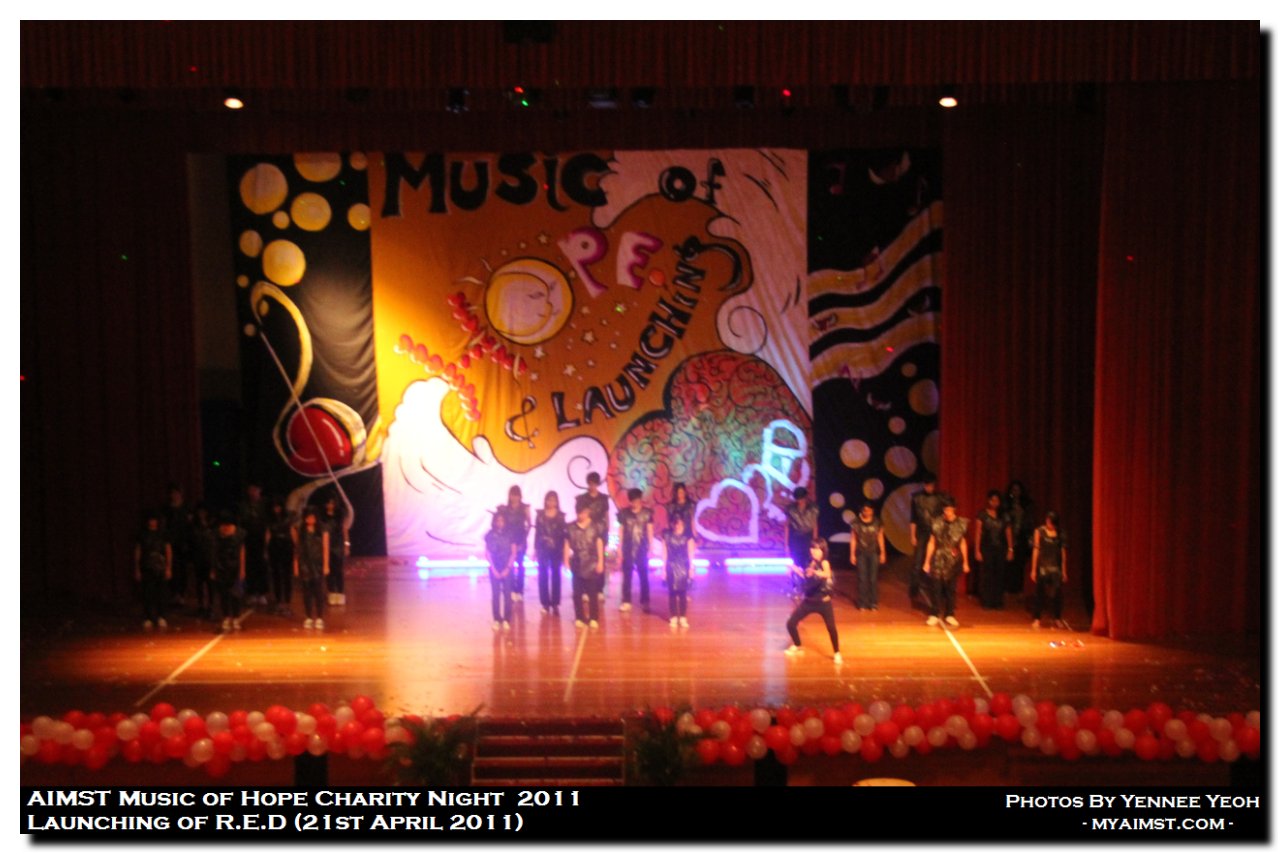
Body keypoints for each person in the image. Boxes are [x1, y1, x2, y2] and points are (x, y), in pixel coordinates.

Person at [784, 538, 842, 664]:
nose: (814, 551)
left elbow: (827, 574)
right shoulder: (810, 562)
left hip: (824, 602)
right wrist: (795, 569)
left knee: (831, 628)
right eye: (812, 548)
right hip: (809, 601)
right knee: (790, 623)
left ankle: (837, 652)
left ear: (823, 550)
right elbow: (806, 577)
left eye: (817, 549)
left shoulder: (824, 562)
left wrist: (814, 571)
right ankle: (797, 645)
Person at [923, 497, 969, 627]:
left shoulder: (961, 523)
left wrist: (965, 562)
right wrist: (927, 561)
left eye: (950, 510)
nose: (948, 512)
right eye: (946, 510)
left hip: (953, 559)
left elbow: (962, 543)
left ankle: (950, 614)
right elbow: (931, 542)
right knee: (936, 587)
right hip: (938, 557)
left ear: (954, 509)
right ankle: (934, 614)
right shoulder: (936, 523)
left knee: (951, 588)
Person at [564, 504, 604, 629]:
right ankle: (579, 617)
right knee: (577, 593)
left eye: (583, 512)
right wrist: (566, 561)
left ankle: (593, 618)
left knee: (592, 593)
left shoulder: (595, 526)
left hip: (591, 562)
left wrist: (600, 561)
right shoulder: (570, 527)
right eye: (579, 513)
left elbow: (599, 543)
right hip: (577, 562)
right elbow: (566, 544)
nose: (581, 515)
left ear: (588, 511)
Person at [616, 487, 654, 612]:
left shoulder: (647, 513)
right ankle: (626, 601)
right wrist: (619, 548)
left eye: (637, 500)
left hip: (642, 548)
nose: (635, 503)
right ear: (630, 501)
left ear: (640, 500)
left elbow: (649, 530)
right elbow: (621, 531)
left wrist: (651, 547)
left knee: (644, 575)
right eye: (633, 501)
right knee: (627, 575)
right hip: (628, 547)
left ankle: (645, 601)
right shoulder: (624, 513)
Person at [975, 490, 1014, 610]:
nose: (995, 502)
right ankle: (987, 601)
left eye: (997, 500)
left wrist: (1010, 549)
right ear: (989, 500)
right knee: (988, 574)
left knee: (999, 574)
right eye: (992, 500)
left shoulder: (1004, 515)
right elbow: (978, 533)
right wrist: (977, 550)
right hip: (987, 548)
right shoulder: (982, 514)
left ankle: (998, 601)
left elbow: (1008, 532)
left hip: (1001, 548)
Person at [292, 505, 330, 630]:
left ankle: (319, 617)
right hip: (305, 564)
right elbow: (297, 548)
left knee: (319, 592)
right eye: (308, 517)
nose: (310, 519)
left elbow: (325, 548)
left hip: (318, 564)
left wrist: (326, 565)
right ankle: (308, 617)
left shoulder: (322, 530)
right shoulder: (301, 531)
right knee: (307, 592)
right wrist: (296, 565)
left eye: (312, 517)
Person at [909, 477, 944, 609]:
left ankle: (934, 586)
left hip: (934, 532)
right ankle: (914, 588)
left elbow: (942, 517)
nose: (930, 488)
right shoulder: (916, 498)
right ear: (924, 485)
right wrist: (912, 535)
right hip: (921, 532)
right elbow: (913, 518)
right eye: (928, 485)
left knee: (935, 560)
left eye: (932, 485)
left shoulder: (939, 498)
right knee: (918, 562)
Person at [1030, 511, 1068, 629]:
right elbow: (1036, 549)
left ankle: (1057, 618)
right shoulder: (1039, 531)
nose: (1048, 524)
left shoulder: (1060, 533)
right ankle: (1037, 618)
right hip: (1043, 566)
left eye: (1051, 522)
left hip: (1055, 567)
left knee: (1057, 594)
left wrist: (1064, 570)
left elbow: (1063, 553)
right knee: (1039, 593)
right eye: (1047, 521)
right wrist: (1033, 569)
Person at [134, 510, 172, 630]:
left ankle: (161, 616)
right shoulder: (142, 534)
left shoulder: (163, 534)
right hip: (147, 567)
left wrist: (168, 568)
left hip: (160, 567)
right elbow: (138, 551)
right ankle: (148, 617)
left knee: (161, 593)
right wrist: (137, 569)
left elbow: (168, 551)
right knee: (147, 593)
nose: (152, 522)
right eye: (151, 520)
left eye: (154, 520)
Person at [534, 491, 568, 615]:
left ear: (557, 502)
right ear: (545, 501)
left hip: (556, 549)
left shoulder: (561, 516)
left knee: (556, 575)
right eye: (549, 500)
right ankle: (545, 604)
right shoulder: (540, 515)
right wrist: (536, 549)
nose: (551, 502)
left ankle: (555, 604)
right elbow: (537, 533)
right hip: (543, 548)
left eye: (553, 500)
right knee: (543, 575)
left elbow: (564, 535)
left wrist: (564, 551)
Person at [211, 512, 246, 632]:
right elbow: (214, 552)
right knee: (223, 594)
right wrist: (213, 569)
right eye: (223, 525)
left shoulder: (239, 534)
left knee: (236, 594)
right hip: (221, 567)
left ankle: (236, 618)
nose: (225, 528)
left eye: (228, 525)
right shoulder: (216, 534)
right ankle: (226, 617)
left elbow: (242, 552)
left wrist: (242, 569)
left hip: (235, 567)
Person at [237, 483, 269, 607]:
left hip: (261, 539)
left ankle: (262, 593)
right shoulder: (243, 505)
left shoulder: (265, 504)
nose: (253, 492)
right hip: (248, 539)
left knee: (262, 566)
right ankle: (251, 592)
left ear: (260, 490)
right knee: (250, 566)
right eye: (250, 490)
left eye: (255, 490)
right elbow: (241, 522)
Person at [498, 485, 531, 602]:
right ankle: (511, 589)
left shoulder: (524, 508)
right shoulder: (505, 509)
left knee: (521, 566)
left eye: (516, 495)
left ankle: (519, 591)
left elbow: (529, 524)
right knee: (510, 565)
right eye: (512, 495)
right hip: (509, 541)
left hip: (521, 540)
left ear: (520, 496)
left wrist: (524, 538)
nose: (514, 497)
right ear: (509, 496)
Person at [850, 503, 886, 610]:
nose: (867, 512)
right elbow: (853, 539)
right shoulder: (856, 523)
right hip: (861, 553)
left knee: (873, 578)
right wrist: (852, 554)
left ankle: (873, 602)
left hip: (874, 552)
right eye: (865, 510)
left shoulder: (877, 522)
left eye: (869, 510)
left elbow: (880, 537)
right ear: (862, 511)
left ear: (872, 511)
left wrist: (883, 553)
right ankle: (862, 602)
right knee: (862, 578)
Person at [485, 510, 517, 631]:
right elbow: (487, 553)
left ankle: (507, 619)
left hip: (507, 567)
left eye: (502, 520)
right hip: (495, 567)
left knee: (507, 594)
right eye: (497, 520)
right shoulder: (490, 535)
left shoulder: (510, 534)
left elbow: (513, 553)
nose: (500, 523)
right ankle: (497, 619)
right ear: (494, 521)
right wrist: (493, 569)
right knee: (495, 594)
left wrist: (508, 568)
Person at [162, 483, 193, 608]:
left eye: (177, 493)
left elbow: (190, 526)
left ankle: (182, 594)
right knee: (172, 568)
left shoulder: (187, 508)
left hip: (184, 542)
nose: (174, 495)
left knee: (183, 569)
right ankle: (174, 594)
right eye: (172, 493)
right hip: (171, 542)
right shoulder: (166, 509)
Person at [662, 515, 695, 627]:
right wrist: (663, 569)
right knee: (672, 592)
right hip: (671, 565)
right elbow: (664, 553)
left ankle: (683, 617)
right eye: (675, 523)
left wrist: (691, 568)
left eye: (679, 523)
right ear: (672, 524)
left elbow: (691, 552)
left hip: (683, 566)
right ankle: (674, 616)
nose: (677, 526)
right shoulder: (667, 536)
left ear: (683, 524)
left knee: (682, 593)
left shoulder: (687, 537)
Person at [264, 498, 296, 616]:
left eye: (278, 506)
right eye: (274, 506)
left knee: (287, 576)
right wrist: (266, 549)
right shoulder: (270, 520)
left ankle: (287, 603)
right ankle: (278, 602)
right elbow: (268, 534)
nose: (276, 509)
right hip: (274, 547)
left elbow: (293, 532)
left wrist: (296, 548)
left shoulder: (288, 518)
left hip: (287, 547)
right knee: (276, 576)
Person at [1003, 480, 1035, 595]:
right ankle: (1007, 588)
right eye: (1013, 490)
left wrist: (1030, 538)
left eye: (1018, 490)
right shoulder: (1006, 504)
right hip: (1008, 537)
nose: (1015, 492)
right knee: (1008, 564)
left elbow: (1030, 521)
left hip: (1022, 537)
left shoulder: (1026, 505)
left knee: (1020, 564)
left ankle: (1018, 589)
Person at [320, 494, 350, 606]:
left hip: (338, 545)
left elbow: (345, 530)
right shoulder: (322, 517)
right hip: (326, 545)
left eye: (332, 503)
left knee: (339, 571)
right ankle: (331, 593)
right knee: (329, 571)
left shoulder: (339, 516)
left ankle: (340, 593)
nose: (330, 505)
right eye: (328, 503)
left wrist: (347, 545)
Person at [190, 504, 216, 619]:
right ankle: (201, 605)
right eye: (200, 512)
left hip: (209, 558)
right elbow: (192, 541)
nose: (202, 514)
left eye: (204, 512)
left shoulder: (213, 525)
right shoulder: (194, 526)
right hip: (198, 558)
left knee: (210, 583)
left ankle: (211, 606)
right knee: (199, 583)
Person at [784, 487, 819, 572]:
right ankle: (797, 576)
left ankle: (807, 576)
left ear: (805, 497)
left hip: (808, 537)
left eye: (801, 498)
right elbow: (786, 525)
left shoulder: (813, 509)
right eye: (798, 498)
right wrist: (786, 543)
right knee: (796, 559)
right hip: (795, 537)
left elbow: (815, 525)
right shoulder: (791, 509)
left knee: (808, 559)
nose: (800, 500)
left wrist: (815, 541)